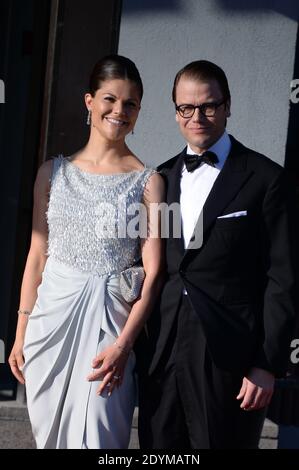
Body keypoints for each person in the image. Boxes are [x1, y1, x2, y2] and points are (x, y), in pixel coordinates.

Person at [137, 60, 298, 449]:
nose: (197, 117)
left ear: (227, 106)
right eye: (186, 108)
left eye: (208, 106)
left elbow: (285, 278)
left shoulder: (266, 178)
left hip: (231, 358)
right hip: (162, 351)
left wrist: (265, 364)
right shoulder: (160, 178)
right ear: (175, 112)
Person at [8, 54, 164, 449]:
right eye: (110, 99)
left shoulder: (150, 183)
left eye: (130, 104)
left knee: (100, 434)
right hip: (49, 327)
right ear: (89, 101)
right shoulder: (51, 173)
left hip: (109, 331)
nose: (119, 111)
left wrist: (124, 345)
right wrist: (21, 330)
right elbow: (37, 255)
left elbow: (155, 273)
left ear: (139, 111)